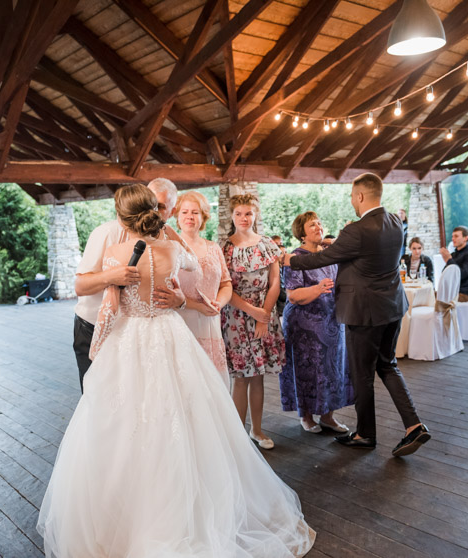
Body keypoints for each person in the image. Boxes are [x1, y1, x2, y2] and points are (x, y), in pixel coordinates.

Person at [38, 185, 315, 557]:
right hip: (168, 332)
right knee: (184, 414)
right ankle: (192, 504)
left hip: (129, 338)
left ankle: (128, 513)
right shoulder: (169, 247)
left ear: (122, 216)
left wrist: (97, 352)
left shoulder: (116, 253)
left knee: (128, 421)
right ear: (156, 213)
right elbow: (194, 268)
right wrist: (177, 293)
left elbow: (108, 311)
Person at [284, 173, 429, 457]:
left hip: (365, 313)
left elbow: (321, 259)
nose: (352, 201)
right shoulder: (394, 222)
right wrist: (335, 242)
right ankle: (414, 425)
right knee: (388, 365)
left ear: (360, 196)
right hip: (393, 308)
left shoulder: (357, 231)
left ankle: (365, 434)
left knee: (361, 375)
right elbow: (361, 251)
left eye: (352, 196)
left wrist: (289, 259)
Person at [72, 177, 185, 392]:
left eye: (161, 207)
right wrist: (110, 276)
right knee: (98, 396)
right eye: (154, 206)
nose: (157, 214)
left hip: (133, 332)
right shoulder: (106, 233)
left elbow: (185, 268)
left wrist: (180, 300)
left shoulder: (164, 239)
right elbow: (80, 286)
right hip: (93, 324)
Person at [280, 211, 354, 434]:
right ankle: (306, 416)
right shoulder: (295, 258)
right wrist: (317, 289)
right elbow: (292, 295)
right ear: (301, 233)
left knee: (332, 370)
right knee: (308, 371)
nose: (318, 227)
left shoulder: (329, 254)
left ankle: (328, 416)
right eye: (312, 225)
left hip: (332, 322)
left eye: (320, 223)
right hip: (304, 327)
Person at [221, 194, 285, 451]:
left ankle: (256, 430)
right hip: (236, 316)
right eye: (238, 214)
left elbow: (275, 283)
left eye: (248, 213)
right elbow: (224, 287)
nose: (243, 218)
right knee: (240, 378)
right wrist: (251, 312)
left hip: (264, 313)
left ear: (255, 215)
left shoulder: (267, 244)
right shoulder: (225, 248)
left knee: (257, 376)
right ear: (232, 217)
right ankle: (237, 435)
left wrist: (264, 315)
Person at [174, 191, 233, 387]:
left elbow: (226, 283)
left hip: (211, 322)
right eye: (185, 212)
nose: (190, 217)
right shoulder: (170, 248)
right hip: (182, 319)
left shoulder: (214, 247)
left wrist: (219, 303)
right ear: (177, 216)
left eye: (195, 212)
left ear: (203, 217)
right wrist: (196, 306)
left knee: (213, 383)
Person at [439, 226, 468, 302]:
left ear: (466, 238)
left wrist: (448, 260)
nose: (453, 239)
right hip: (451, 291)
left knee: (438, 298)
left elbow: (461, 274)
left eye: (456, 236)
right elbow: (444, 274)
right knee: (429, 296)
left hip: (463, 293)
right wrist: (449, 260)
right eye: (452, 236)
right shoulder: (454, 254)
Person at [271, 235, 288, 318]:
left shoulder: (285, 267)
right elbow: (281, 291)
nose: (284, 255)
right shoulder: (274, 269)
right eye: (281, 253)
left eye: (286, 252)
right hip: (280, 309)